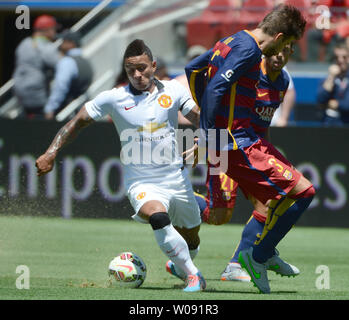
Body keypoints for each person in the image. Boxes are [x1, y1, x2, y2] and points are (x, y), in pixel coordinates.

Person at [35, 39, 205, 292]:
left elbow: (201, 119)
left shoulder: (174, 90)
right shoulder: (113, 98)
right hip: (141, 181)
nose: (137, 75)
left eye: (142, 68)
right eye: (131, 70)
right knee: (156, 215)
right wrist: (51, 151)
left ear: (153, 66)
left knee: (191, 239)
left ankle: (181, 265)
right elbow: (76, 123)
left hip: (176, 178)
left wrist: (205, 141)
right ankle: (194, 276)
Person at [185, 5, 315, 294]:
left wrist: (212, 130)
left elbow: (193, 69)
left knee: (255, 206)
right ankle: (258, 255)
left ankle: (256, 255)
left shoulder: (228, 41)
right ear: (279, 36)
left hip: (239, 141)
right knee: (301, 192)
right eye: (286, 44)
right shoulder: (251, 51)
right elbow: (216, 89)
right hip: (235, 143)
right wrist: (208, 135)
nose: (284, 51)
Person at [13, 14, 61, 119]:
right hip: (37, 94)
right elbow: (60, 64)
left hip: (19, 90)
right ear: (46, 30)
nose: (55, 32)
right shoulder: (46, 46)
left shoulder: (24, 43)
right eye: (53, 29)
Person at [44, 31, 93, 120]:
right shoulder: (85, 61)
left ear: (71, 44)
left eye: (64, 41)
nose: (61, 44)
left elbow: (60, 86)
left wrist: (50, 109)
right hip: (80, 111)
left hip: (66, 113)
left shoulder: (67, 62)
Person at [317, 42, 349, 126]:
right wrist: (331, 77)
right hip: (328, 124)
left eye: (344, 57)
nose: (340, 60)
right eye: (336, 57)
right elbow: (320, 99)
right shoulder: (329, 77)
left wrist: (337, 104)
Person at [175, 45, 207, 126]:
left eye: (200, 59)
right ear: (187, 61)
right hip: (184, 129)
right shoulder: (177, 83)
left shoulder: (215, 80)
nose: (197, 62)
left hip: (209, 127)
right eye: (194, 59)